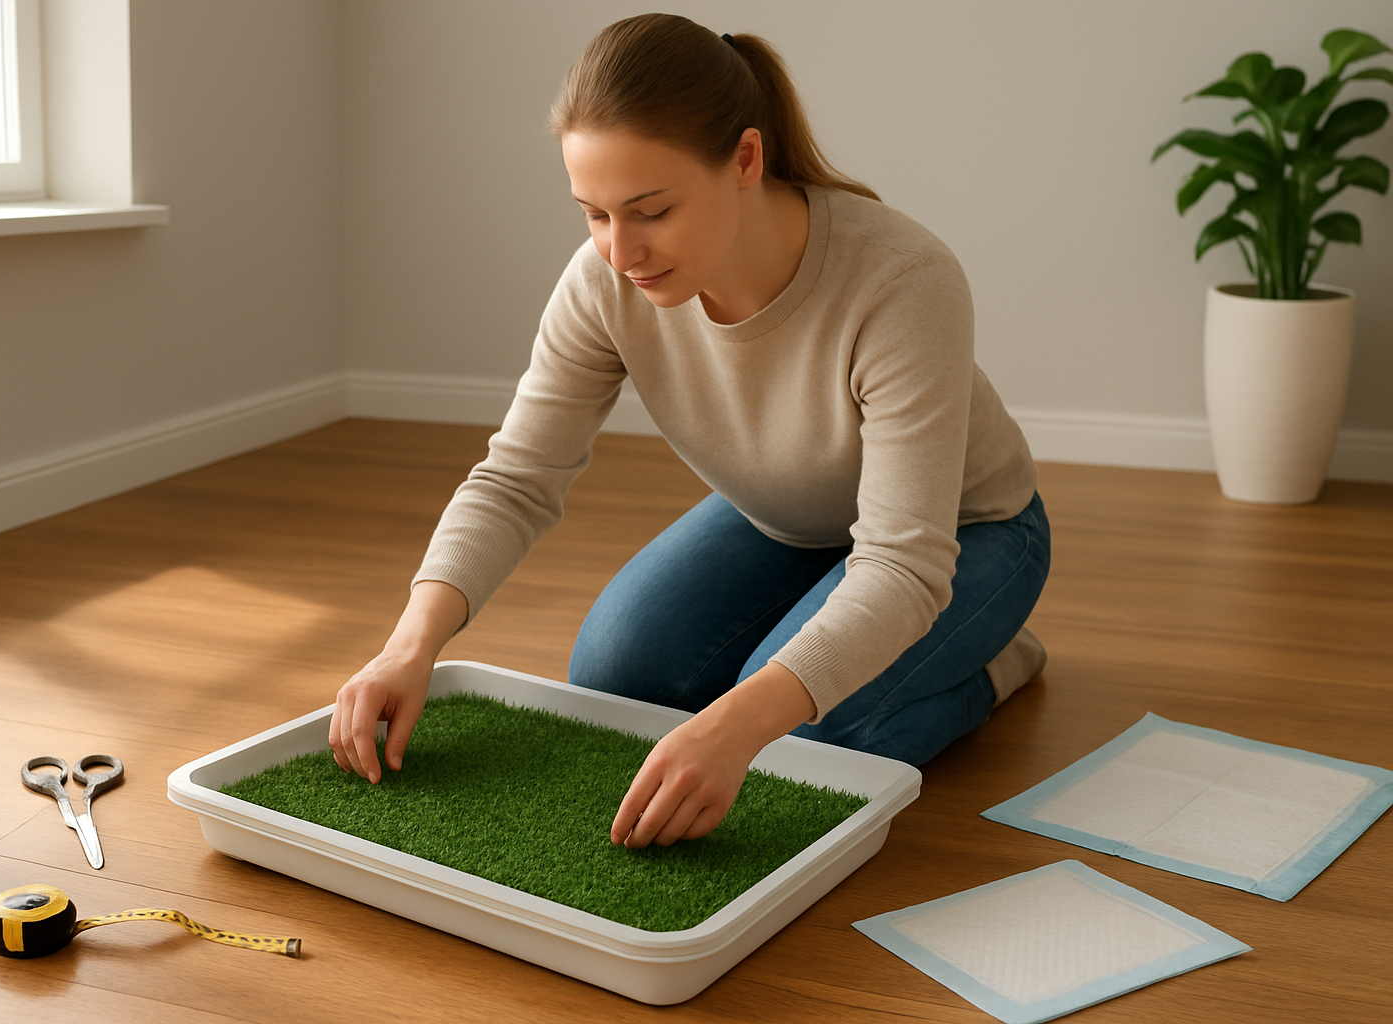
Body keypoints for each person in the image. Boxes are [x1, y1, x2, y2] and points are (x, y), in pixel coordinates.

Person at [329, 13, 1050, 851]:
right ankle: (814, 650)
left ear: (746, 159)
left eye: (650, 210)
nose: (620, 251)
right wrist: (408, 644)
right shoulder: (603, 284)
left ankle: (994, 668)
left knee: (799, 745)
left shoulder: (903, 280)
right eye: (593, 214)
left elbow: (900, 564)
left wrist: (739, 725)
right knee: (613, 681)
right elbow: (516, 479)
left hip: (965, 535)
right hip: (788, 523)